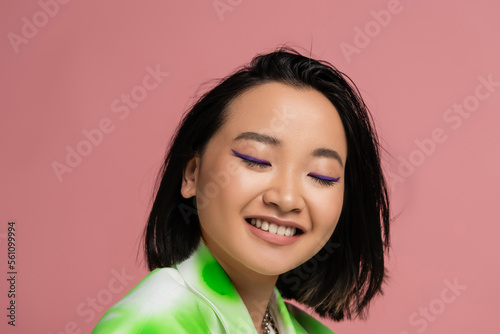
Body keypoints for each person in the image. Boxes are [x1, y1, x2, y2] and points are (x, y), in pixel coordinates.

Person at [93, 46, 391, 333]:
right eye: (256, 160)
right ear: (192, 174)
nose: (286, 198)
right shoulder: (154, 322)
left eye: (322, 176)